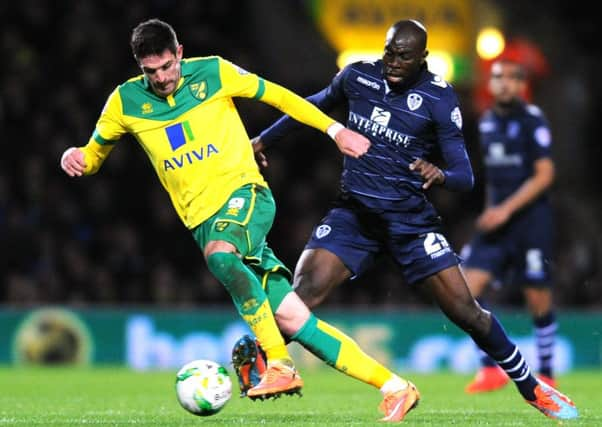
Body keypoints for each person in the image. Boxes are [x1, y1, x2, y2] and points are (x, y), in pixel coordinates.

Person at [60, 18, 420, 421]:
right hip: (203, 220)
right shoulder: (125, 102)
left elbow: (281, 98)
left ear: (179, 53)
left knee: (221, 255)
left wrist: (335, 130)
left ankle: (280, 364)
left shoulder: (213, 71)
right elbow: (92, 155)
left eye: (167, 66)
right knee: (295, 319)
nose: (161, 78)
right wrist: (75, 157)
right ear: (139, 68)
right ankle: (395, 388)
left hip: (246, 195)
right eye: (151, 72)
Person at [243, 19, 578, 420]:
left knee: (466, 312)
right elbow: (309, 107)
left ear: (423, 58)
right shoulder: (357, 77)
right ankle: (262, 359)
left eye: (403, 56)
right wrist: (263, 140)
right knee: (300, 295)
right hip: (355, 215)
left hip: (410, 224)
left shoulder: (439, 98)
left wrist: (440, 174)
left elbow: (465, 176)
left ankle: (532, 388)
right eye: (389, 52)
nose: (393, 62)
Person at [462, 58, 558, 394]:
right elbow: (494, 179)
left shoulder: (532, 120)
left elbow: (545, 174)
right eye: (497, 77)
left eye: (511, 79)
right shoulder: (487, 122)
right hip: (498, 220)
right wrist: (491, 210)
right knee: (466, 290)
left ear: (521, 85)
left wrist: (505, 210)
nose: (503, 84)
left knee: (537, 296)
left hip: (531, 221)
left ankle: (546, 372)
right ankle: (490, 369)